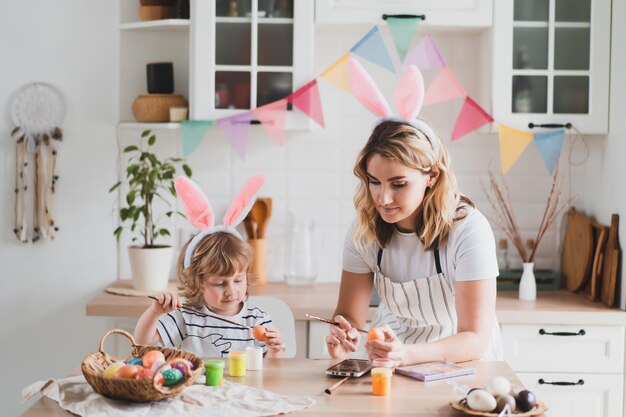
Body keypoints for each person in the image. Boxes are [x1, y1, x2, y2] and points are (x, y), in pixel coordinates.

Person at [326, 118, 503, 366]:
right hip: (391, 357)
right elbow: (348, 317)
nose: (383, 198)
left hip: (462, 361)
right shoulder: (363, 231)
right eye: (374, 182)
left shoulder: (468, 230)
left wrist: (407, 354)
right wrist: (343, 335)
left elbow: (474, 338)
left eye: (399, 184)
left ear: (431, 175)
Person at [134, 176, 284, 358]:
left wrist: (275, 351)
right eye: (220, 284)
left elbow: (273, 369)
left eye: (238, 280)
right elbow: (142, 342)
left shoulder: (257, 319)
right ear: (197, 283)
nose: (231, 291)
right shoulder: (186, 317)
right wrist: (154, 313)